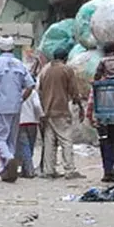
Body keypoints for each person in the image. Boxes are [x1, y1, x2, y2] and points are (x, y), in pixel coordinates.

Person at [0, 35, 36, 183]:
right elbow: (30, 86)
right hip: (16, 107)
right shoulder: (20, 64)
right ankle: (7, 170)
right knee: (11, 139)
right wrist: (21, 99)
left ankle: (8, 159)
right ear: (13, 47)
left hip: (0, 106)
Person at [38, 46, 86, 179]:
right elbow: (74, 90)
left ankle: (49, 170)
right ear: (65, 58)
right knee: (66, 140)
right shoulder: (66, 69)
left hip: (47, 111)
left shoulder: (45, 70)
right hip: (61, 110)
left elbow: (40, 90)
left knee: (49, 141)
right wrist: (79, 105)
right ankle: (69, 170)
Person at [91, 42, 114, 182]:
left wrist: (97, 81)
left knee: (107, 140)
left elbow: (97, 75)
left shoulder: (103, 61)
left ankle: (109, 170)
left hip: (107, 100)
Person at [17, 88, 42, 179]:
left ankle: (27, 169)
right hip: (32, 122)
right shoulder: (33, 92)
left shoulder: (16, 91)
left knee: (24, 146)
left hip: (20, 122)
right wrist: (40, 116)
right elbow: (37, 105)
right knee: (30, 146)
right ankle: (28, 170)